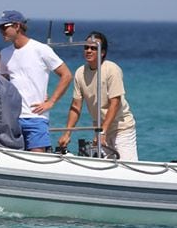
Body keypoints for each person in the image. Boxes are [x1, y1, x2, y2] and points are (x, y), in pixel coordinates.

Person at [0, 10, 72, 152]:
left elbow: (66, 75)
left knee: (38, 160)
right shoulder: (4, 54)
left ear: (17, 26)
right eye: (0, 27)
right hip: (12, 119)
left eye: (4, 27)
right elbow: (3, 87)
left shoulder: (41, 49)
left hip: (36, 117)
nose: (1, 30)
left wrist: (51, 102)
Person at [57, 31, 138, 161]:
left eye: (93, 48)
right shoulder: (80, 73)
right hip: (100, 128)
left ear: (102, 52)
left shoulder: (112, 69)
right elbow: (76, 106)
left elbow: (115, 103)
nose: (89, 50)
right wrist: (67, 133)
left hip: (121, 128)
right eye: (86, 47)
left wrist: (102, 132)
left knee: (127, 167)